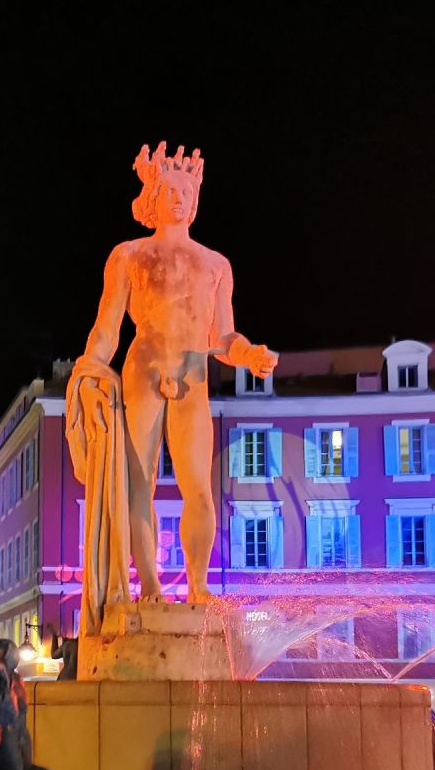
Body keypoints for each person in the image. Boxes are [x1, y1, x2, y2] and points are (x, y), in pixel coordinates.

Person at [69, 142, 279, 618]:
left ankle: (200, 587)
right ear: (154, 197)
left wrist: (247, 354)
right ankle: (150, 587)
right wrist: (88, 369)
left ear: (196, 199)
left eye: (187, 190)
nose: (180, 198)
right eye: (170, 190)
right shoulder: (129, 255)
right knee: (139, 489)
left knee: (198, 488)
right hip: (143, 369)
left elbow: (223, 335)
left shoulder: (216, 264)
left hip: (193, 377)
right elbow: (107, 328)